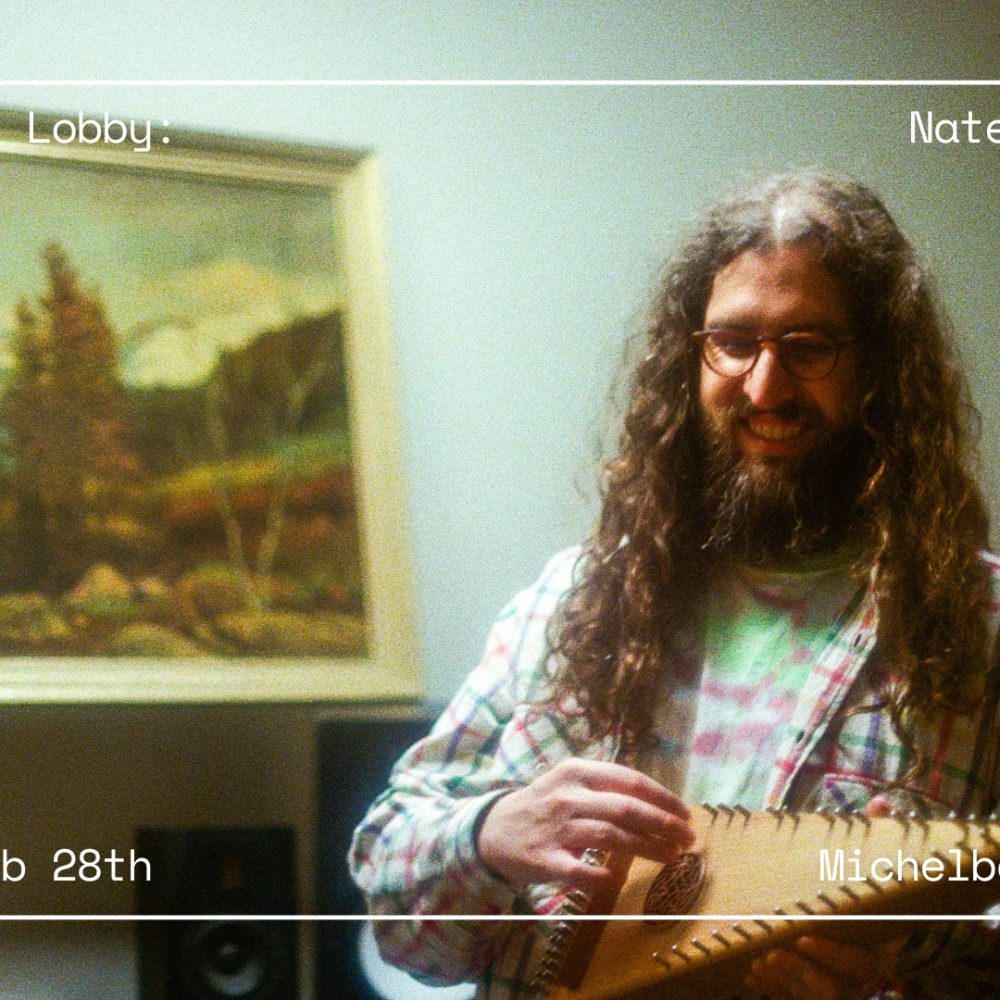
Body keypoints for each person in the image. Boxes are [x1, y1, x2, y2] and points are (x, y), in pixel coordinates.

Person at [349, 171, 1000, 1000]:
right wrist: (489, 833)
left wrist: (911, 961)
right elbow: (397, 923)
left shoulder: (979, 626)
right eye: (734, 343)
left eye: (808, 348)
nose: (765, 388)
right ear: (691, 356)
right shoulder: (569, 601)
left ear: (880, 368)